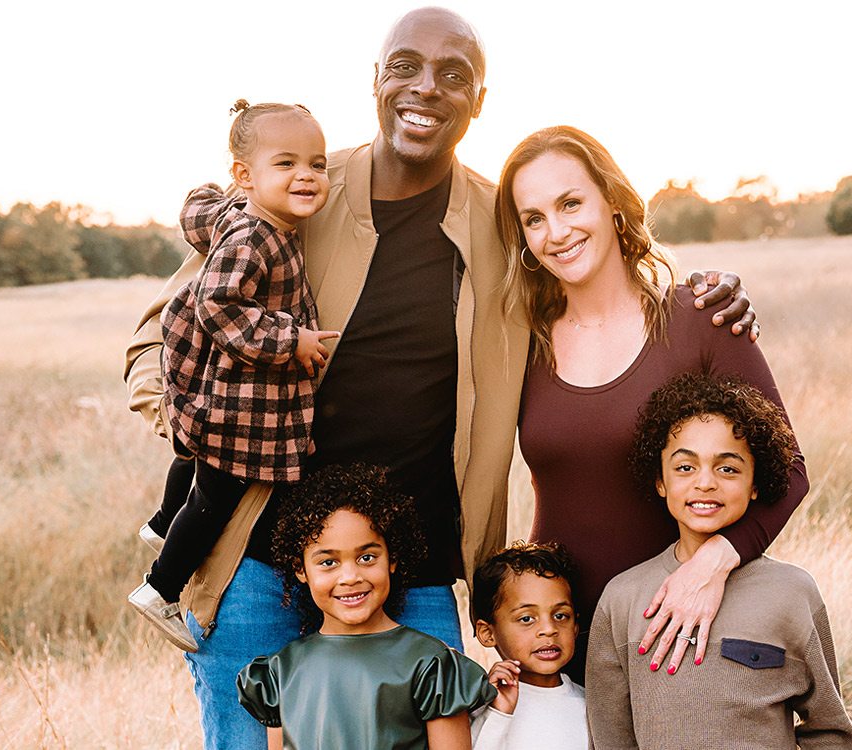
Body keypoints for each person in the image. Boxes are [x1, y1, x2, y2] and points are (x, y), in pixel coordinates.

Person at [123, 9, 754, 747]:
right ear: (376, 83)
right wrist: (206, 424)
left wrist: (698, 297)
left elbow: (586, 271)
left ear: (479, 99)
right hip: (257, 561)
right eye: (406, 67)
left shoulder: (499, 222)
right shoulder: (296, 192)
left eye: (454, 75)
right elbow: (151, 345)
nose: (427, 88)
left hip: (416, 566)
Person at [496, 125, 807, 681]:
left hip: (682, 627)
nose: (557, 231)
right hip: (563, 641)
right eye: (534, 218)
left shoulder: (700, 318)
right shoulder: (523, 341)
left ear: (614, 204)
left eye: (571, 203)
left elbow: (791, 472)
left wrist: (710, 566)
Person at [127, 101, 339, 653]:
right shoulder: (256, 236)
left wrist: (212, 195)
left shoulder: (242, 216)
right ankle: (160, 588)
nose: (306, 176)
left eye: (317, 165)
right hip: (241, 403)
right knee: (216, 497)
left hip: (227, 395)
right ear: (246, 176)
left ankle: (160, 521)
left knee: (197, 465)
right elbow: (219, 304)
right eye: (286, 163)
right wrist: (293, 341)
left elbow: (200, 210)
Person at [586, 374, 852, 748]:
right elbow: (611, 738)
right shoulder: (622, 599)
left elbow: (830, 732)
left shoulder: (792, 594)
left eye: (727, 468)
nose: (705, 483)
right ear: (660, 481)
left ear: (756, 483)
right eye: (685, 467)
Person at [237, 463, 495, 750]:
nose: (350, 577)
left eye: (367, 558)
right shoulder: (280, 673)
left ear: (392, 559)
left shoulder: (432, 666)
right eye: (328, 562)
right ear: (301, 569)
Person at [470, 542, 587, 750]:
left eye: (561, 615)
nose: (549, 629)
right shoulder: (480, 706)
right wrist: (498, 714)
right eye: (526, 619)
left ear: (576, 627)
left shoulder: (591, 704)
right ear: (488, 633)